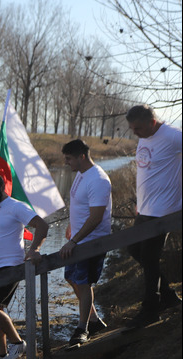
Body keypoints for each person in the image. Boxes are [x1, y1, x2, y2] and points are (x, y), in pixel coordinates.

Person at [0, 172, 50, 359]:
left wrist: (34, 249)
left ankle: (18, 344)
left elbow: (42, 225)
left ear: (2, 188)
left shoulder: (15, 206)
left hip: (10, 267)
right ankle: (0, 353)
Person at [125, 104, 182, 327]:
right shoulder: (145, 136)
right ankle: (167, 296)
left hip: (164, 210)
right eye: (131, 128)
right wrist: (140, 204)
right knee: (134, 249)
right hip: (146, 209)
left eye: (137, 128)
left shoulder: (172, 136)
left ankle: (151, 309)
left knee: (149, 256)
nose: (134, 132)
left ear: (152, 121)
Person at [58, 139, 112, 346]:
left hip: (91, 241)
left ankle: (83, 328)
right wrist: (72, 228)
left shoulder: (98, 179)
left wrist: (75, 240)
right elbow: (80, 205)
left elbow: (96, 217)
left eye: (69, 159)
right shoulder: (81, 175)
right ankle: (94, 320)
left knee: (83, 281)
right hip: (78, 238)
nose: (67, 163)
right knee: (71, 278)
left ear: (82, 156)